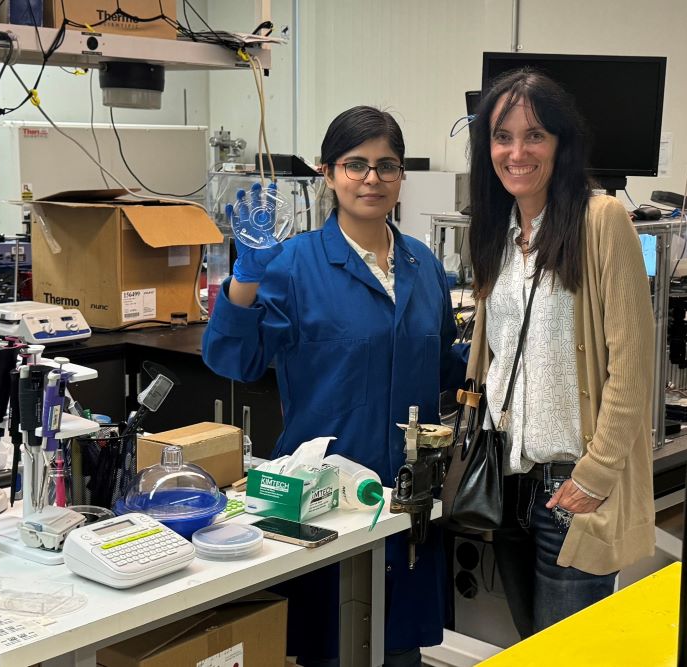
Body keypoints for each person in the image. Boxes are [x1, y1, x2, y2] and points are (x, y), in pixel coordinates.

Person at [202, 106, 465, 667]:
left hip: (405, 500)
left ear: (401, 176)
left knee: (399, 654)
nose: (372, 179)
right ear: (328, 172)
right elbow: (235, 359)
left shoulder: (424, 265)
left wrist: (506, 340)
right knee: (332, 646)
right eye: (356, 164)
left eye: (386, 165)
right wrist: (245, 279)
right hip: (321, 502)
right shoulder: (293, 264)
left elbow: (442, 367)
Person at [465, 69, 656, 638]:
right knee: (529, 643)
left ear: (560, 144)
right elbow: (497, 357)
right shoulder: (496, 232)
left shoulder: (601, 221)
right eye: (503, 137)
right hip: (507, 475)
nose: (516, 152)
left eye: (535, 136)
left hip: (569, 487)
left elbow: (632, 364)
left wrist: (595, 475)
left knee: (567, 650)